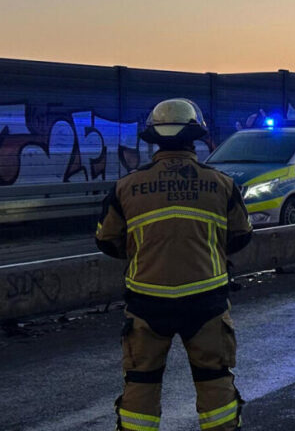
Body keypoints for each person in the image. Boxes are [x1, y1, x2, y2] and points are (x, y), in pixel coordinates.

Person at [96, 99, 252, 431]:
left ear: (154, 138)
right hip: (206, 299)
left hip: (146, 300)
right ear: (195, 136)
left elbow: (107, 240)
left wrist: (147, 254)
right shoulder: (222, 183)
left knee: (142, 380)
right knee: (214, 378)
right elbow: (240, 236)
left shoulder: (126, 186)